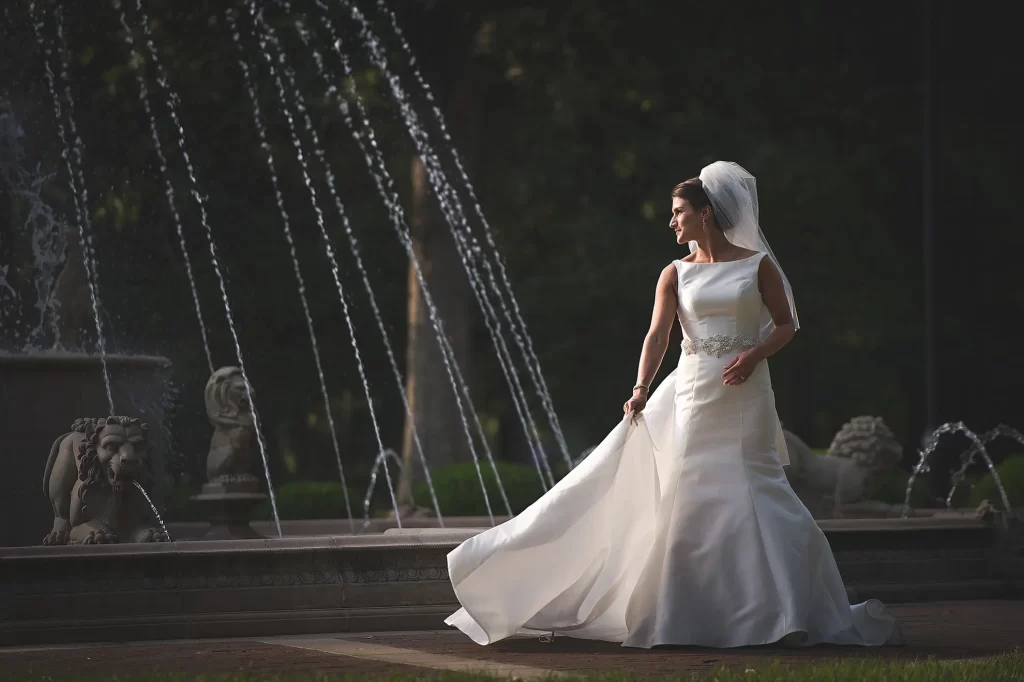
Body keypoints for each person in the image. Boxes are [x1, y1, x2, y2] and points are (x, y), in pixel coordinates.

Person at [444, 161, 903, 649]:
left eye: (680, 211)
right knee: (690, 493)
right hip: (692, 393)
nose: (673, 221)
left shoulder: (756, 265)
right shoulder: (675, 272)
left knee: (756, 486)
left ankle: (784, 611)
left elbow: (786, 324)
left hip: (745, 392)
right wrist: (641, 387)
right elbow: (657, 335)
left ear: (706, 214)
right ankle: (679, 613)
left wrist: (754, 354)